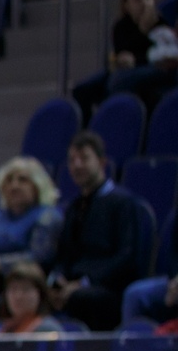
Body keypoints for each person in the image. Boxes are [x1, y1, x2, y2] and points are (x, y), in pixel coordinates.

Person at [48, 131, 145, 332]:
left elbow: (127, 258)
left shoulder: (123, 203)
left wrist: (84, 282)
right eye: (72, 160)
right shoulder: (74, 207)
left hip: (108, 286)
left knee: (82, 298)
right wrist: (58, 280)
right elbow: (64, 254)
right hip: (74, 285)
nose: (77, 165)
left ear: (102, 162)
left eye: (84, 158)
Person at [0, 156, 62, 318]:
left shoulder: (47, 216)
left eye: (23, 180)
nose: (14, 186)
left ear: (37, 185)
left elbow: (39, 257)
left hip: (15, 285)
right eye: (9, 180)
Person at [0, 261, 69, 335]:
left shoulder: (47, 329)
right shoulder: (5, 329)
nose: (18, 296)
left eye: (26, 289)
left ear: (40, 294)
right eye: (13, 289)